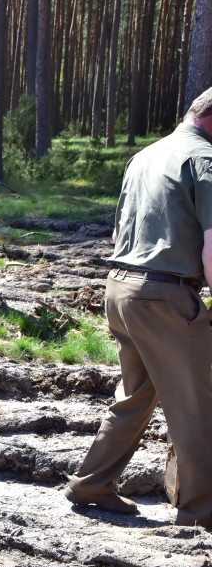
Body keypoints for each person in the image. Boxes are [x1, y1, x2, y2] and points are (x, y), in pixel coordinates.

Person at [65, 88, 212, 530]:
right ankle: (201, 512)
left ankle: (91, 483)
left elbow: (117, 235)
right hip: (165, 297)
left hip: (121, 288)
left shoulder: (146, 156)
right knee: (197, 409)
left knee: (135, 397)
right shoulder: (204, 160)